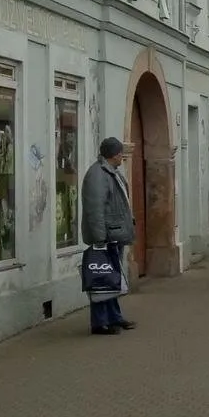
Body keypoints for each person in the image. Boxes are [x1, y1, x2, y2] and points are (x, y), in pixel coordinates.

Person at [81, 137, 137, 336]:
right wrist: (99, 239)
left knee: (111, 278)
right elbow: (95, 210)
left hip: (113, 235)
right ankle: (100, 322)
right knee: (101, 279)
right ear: (114, 154)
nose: (123, 156)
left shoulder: (111, 172)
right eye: (121, 153)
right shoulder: (97, 175)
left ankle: (115, 317)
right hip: (105, 237)